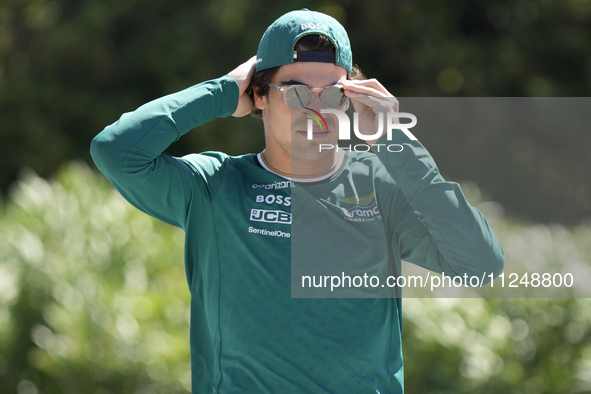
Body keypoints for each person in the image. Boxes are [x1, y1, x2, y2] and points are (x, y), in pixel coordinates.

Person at [91, 9, 504, 393]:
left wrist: (395, 141)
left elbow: (482, 264)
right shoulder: (214, 186)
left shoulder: (382, 184)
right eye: (296, 93)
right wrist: (221, 92)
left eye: (332, 94)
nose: (316, 111)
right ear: (259, 95)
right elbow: (116, 151)